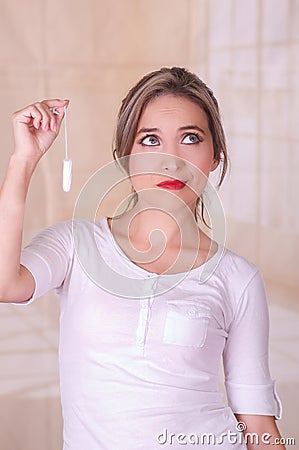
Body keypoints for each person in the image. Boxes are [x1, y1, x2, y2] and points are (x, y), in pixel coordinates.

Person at [0, 67, 285, 449]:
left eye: (190, 138)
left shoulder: (238, 278)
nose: (170, 158)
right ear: (125, 157)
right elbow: (7, 285)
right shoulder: (74, 244)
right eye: (150, 139)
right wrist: (23, 160)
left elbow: (258, 427)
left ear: (215, 155)